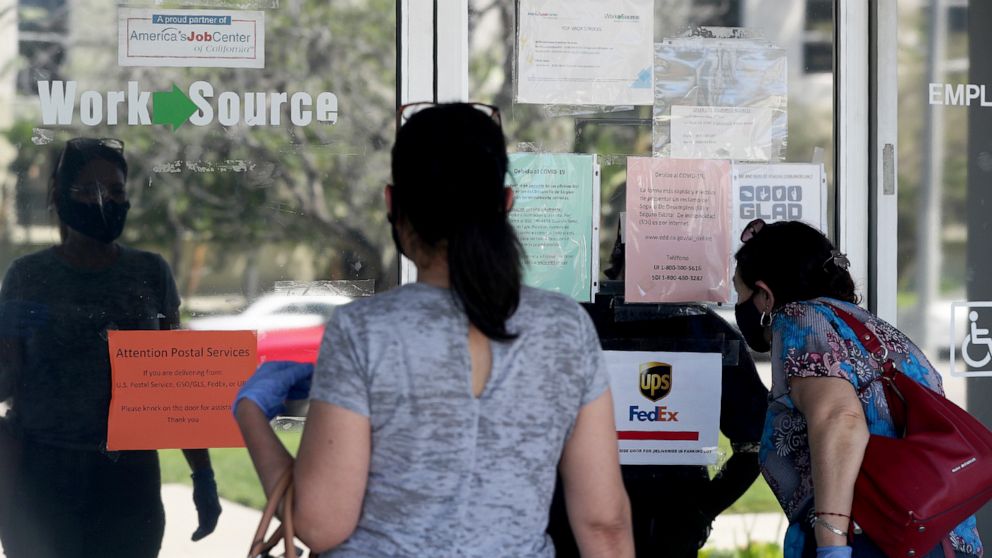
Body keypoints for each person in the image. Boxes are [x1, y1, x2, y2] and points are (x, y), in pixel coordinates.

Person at [235, 102, 634, 557]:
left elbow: (321, 525)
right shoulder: (567, 330)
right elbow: (605, 523)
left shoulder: (362, 332)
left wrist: (250, 413)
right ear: (505, 204)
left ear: (392, 204)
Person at [0, 138, 221, 557]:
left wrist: (203, 476)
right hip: (42, 483)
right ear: (59, 196)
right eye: (89, 190)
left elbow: (177, 387)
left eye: (116, 191)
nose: (105, 201)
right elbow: (5, 382)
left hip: (128, 486)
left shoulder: (150, 273)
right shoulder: (27, 276)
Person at [733, 219, 983, 558]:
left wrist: (832, 543)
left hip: (870, 538)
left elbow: (838, 417)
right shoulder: (870, 328)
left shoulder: (797, 318)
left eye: (740, 292)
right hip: (932, 538)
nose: (739, 302)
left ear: (765, 295)